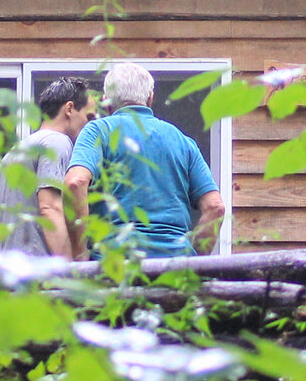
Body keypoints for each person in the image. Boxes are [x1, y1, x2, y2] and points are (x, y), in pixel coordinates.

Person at [60, 62, 222, 258]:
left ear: (106, 101)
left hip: (114, 267)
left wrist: (80, 254)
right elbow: (215, 207)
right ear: (151, 98)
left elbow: (75, 182)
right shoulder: (182, 140)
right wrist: (194, 259)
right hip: (175, 269)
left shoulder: (98, 130)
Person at [0, 76, 94, 257]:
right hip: (38, 272)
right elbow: (50, 207)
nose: (91, 125)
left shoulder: (16, 152)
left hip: (7, 273)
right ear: (69, 109)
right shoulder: (57, 142)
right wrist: (68, 271)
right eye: (89, 117)